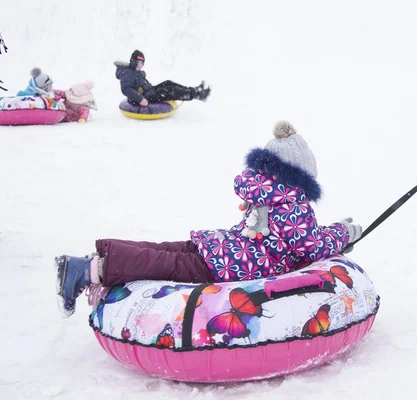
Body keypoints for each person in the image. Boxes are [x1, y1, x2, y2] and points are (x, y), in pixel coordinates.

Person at [55, 121, 363, 317]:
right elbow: (311, 246)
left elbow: (294, 236)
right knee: (167, 264)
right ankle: (89, 270)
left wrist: (328, 230)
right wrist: (344, 232)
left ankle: (102, 254)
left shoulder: (266, 192)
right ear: (302, 175)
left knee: (167, 250)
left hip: (222, 245)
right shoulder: (294, 204)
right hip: (231, 264)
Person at [115, 50, 211, 106]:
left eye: (142, 63)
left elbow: (136, 79)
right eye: (139, 62)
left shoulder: (134, 70)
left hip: (149, 91)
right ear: (133, 60)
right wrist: (140, 99)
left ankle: (195, 89)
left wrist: (142, 74)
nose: (141, 65)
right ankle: (198, 95)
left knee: (168, 83)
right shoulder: (127, 72)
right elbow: (126, 89)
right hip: (144, 97)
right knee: (168, 90)